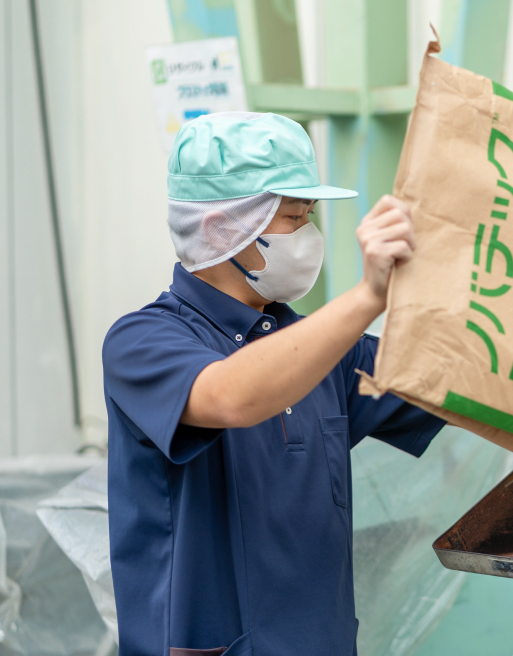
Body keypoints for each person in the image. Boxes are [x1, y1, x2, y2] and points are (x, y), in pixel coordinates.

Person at [102, 112, 445, 656]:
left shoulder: (320, 346)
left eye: (310, 215)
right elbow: (230, 395)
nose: (309, 235)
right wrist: (366, 298)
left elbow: (454, 384)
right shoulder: (141, 342)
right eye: (293, 216)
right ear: (221, 228)